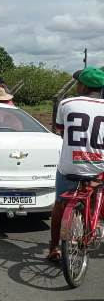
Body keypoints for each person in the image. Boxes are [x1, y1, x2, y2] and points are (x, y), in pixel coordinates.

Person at [47, 67, 104, 262]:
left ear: (81, 86)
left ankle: (54, 247)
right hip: (98, 167)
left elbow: (61, 131)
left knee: (59, 204)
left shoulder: (67, 103)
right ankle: (93, 226)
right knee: (97, 192)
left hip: (70, 166)